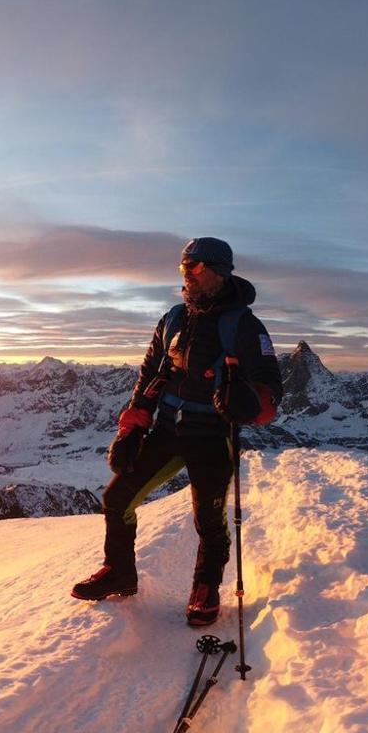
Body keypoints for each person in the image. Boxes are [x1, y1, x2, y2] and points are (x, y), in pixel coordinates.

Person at [71, 237, 283, 626]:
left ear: (221, 272)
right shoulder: (173, 319)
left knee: (209, 515)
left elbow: (271, 389)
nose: (188, 274)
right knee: (118, 497)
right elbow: (150, 376)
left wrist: (249, 402)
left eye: (197, 267)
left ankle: (205, 588)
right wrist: (132, 430)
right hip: (168, 431)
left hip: (213, 436)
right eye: (183, 266)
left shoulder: (247, 327)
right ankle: (120, 572)